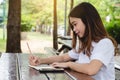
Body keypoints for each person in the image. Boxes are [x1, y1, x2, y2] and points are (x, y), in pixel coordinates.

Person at [29, 2, 118, 80]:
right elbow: (63, 57)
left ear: (88, 21)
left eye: (75, 24)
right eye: (72, 26)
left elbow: (91, 69)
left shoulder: (104, 43)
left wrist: (69, 64)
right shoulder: (84, 44)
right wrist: (41, 61)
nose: (74, 29)